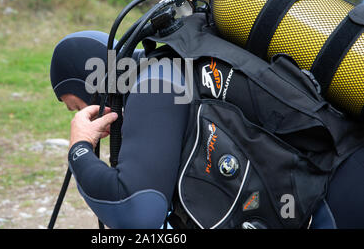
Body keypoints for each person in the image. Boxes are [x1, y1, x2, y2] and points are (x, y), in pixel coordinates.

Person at [50, 30, 364, 229]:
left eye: (77, 109)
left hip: (337, 200)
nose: (83, 119)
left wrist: (79, 148)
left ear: (93, 86)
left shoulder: (155, 84)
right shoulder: (173, 68)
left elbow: (137, 213)